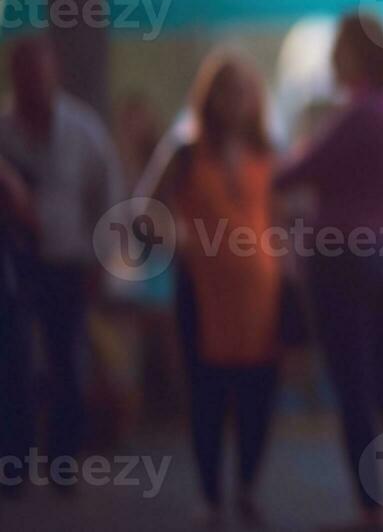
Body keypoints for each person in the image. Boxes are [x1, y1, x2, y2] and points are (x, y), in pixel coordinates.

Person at [275, 13, 383, 527]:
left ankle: (371, 510)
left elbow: (294, 174)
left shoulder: (359, 115)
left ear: (353, 55)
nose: (330, 63)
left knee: (354, 388)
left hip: (343, 259)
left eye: (336, 52)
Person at [148, 53, 284, 524]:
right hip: (203, 292)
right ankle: (210, 494)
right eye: (227, 91)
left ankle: (247, 485)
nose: (236, 102)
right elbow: (146, 211)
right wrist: (174, 234)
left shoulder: (269, 153)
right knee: (206, 395)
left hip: (261, 298)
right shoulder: (185, 154)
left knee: (258, 395)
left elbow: (287, 216)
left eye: (244, 91)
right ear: (210, 98)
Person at [0, 38, 125, 489]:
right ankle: (12, 465)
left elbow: (108, 195)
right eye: (24, 72)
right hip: (15, 263)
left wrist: (100, 260)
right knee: (12, 362)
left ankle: (64, 462)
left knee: (66, 359)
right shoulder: (4, 129)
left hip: (69, 261)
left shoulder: (84, 130)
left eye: (40, 71)